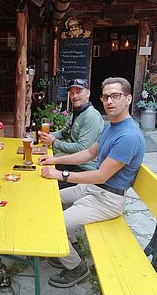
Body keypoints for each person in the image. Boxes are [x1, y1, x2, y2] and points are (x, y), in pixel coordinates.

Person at [38, 77, 145, 288]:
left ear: (128, 98)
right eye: (106, 96)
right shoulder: (111, 126)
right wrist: (54, 159)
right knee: (49, 200)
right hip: (95, 189)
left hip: (107, 198)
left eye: (116, 96)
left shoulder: (129, 136)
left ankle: (77, 268)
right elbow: (88, 153)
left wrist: (60, 175)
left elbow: (101, 175)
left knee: (54, 225)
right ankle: (69, 246)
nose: (109, 101)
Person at [38, 79, 104, 189]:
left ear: (88, 93)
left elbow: (82, 148)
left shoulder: (92, 116)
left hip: (84, 168)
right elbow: (63, 133)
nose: (74, 96)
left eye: (78, 92)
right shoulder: (78, 113)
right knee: (40, 168)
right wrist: (46, 136)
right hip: (73, 162)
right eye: (72, 93)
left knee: (46, 185)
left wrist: (54, 142)